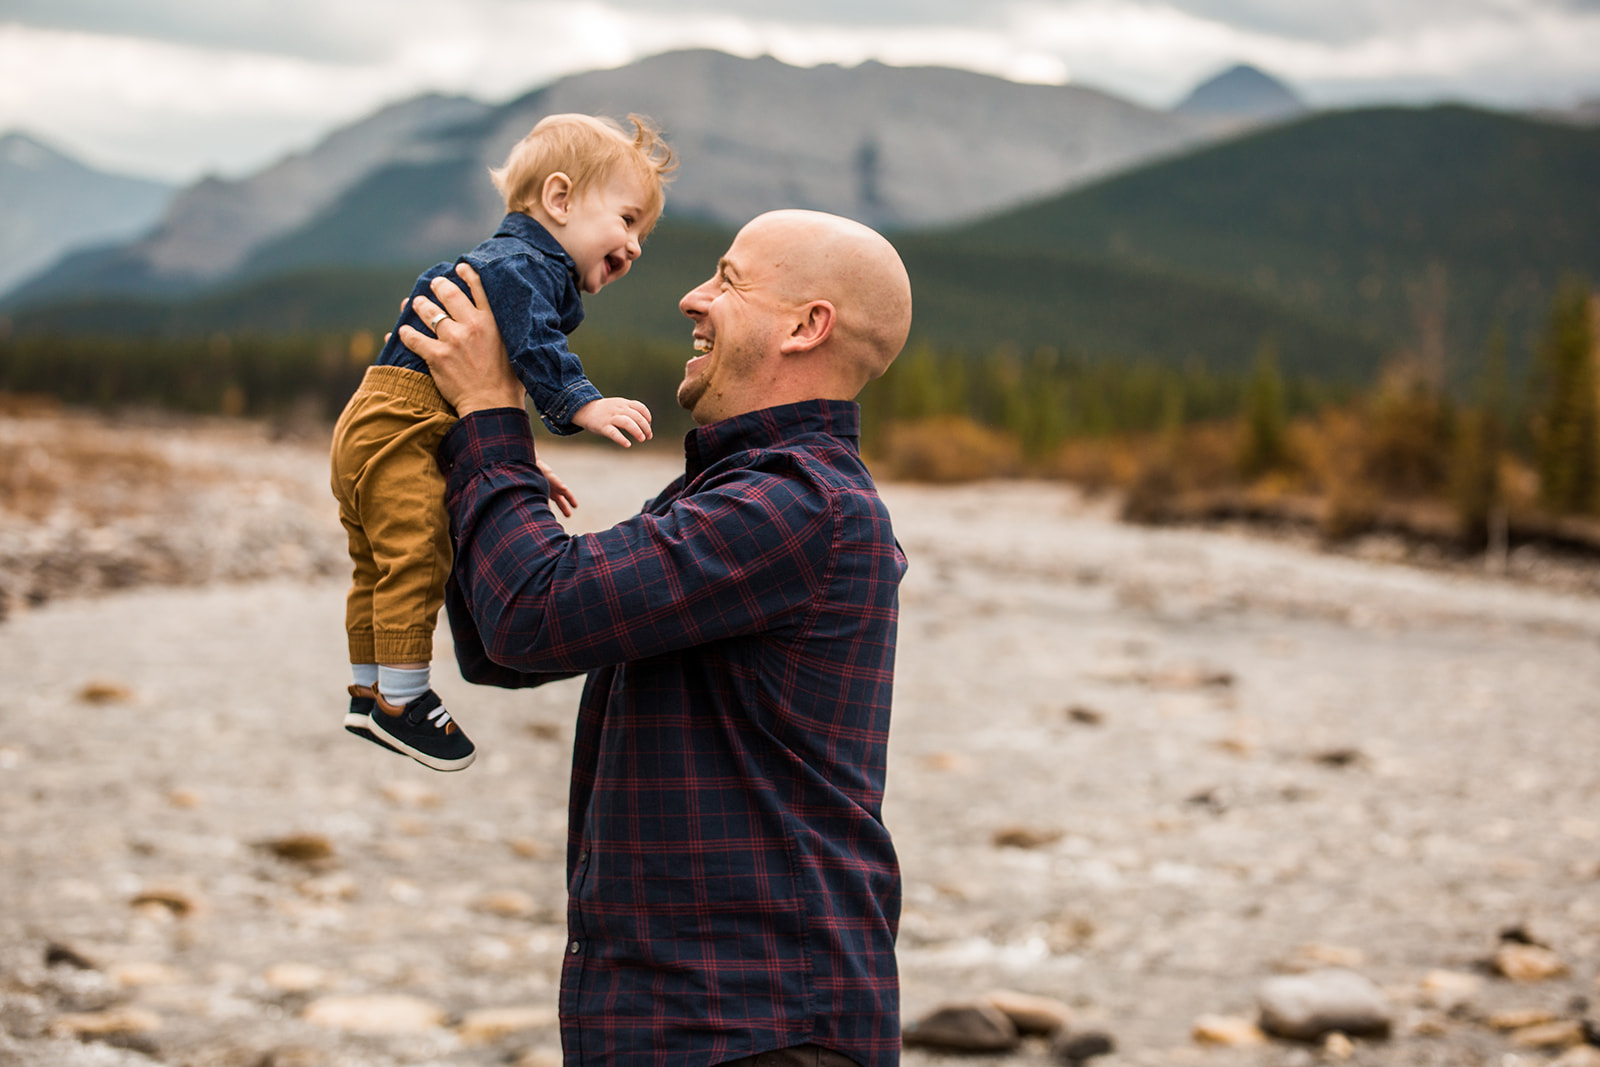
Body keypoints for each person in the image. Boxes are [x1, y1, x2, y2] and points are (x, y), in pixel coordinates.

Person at [399, 209, 914, 1066]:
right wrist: (469, 456)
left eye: (728, 279)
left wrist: (491, 410)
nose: (693, 297)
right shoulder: (737, 493)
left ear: (805, 326)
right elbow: (502, 643)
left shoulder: (796, 506)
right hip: (691, 1022)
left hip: (754, 1030)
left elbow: (535, 611)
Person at [329, 113, 674, 772]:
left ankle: (369, 688)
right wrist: (583, 403)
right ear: (560, 199)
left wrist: (519, 459)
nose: (635, 247)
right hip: (404, 425)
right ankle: (403, 699)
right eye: (628, 221)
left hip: (385, 418)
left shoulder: (508, 264)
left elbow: (476, 384)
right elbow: (533, 347)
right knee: (418, 552)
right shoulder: (524, 266)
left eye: (644, 235)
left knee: (376, 559)